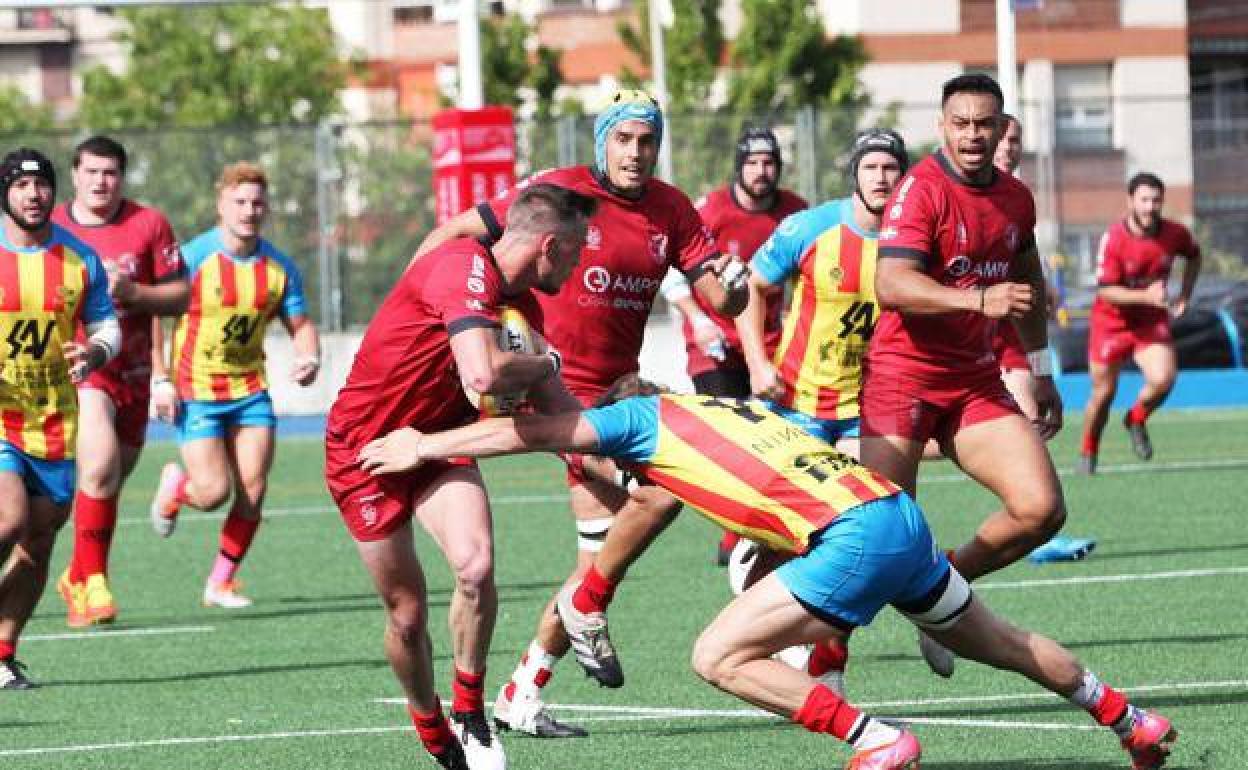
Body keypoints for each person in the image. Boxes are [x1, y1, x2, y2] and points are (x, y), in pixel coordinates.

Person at [357, 378, 1179, 770]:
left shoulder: (640, 416)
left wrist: (428, 445)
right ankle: (1128, 718)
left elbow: (540, 431)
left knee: (716, 657)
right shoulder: (727, 410)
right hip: (893, 511)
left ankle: (875, 741)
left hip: (854, 535)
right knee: (996, 638)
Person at [412, 89, 747, 738]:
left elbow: (719, 300)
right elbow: (455, 235)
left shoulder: (672, 209)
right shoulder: (556, 193)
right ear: (602, 142)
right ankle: (584, 611)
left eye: (647, 140)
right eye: (623, 139)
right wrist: (424, 302)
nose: (636, 152)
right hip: (554, 395)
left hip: (619, 399)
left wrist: (733, 290)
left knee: (595, 564)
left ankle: (523, 692)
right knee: (662, 495)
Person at [325, 183, 596, 769]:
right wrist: (547, 361)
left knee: (475, 569)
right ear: (548, 245)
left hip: (436, 444)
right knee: (407, 613)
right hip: (366, 452)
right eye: (576, 252)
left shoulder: (526, 308)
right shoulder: (461, 269)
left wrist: (621, 460)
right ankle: (430, 724)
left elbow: (560, 411)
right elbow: (484, 374)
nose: (578, 266)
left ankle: (469, 710)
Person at [867, 74, 1066, 677]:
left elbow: (1029, 287)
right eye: (962, 123)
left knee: (1041, 511)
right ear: (943, 127)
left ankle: (944, 592)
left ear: (1003, 128)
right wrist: (978, 299)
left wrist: (1040, 370)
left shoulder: (1015, 197)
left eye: (986, 123)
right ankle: (813, 658)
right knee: (878, 540)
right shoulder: (919, 190)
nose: (974, 135)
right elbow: (891, 284)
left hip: (974, 383)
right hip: (900, 379)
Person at [148, 162, 320, 610]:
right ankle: (176, 489)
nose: (249, 210)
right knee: (211, 493)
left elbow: (300, 324)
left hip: (249, 391)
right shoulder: (192, 258)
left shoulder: (279, 267)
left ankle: (220, 582)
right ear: (220, 205)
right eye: (239, 202)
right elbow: (154, 318)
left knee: (254, 489)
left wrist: (309, 356)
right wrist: (161, 379)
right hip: (197, 390)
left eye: (257, 202)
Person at [50, 136, 189, 628]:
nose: (100, 182)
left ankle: (80, 575)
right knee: (100, 468)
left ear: (121, 177)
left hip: (134, 372)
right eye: (91, 172)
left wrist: (136, 293)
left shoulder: (148, 224)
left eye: (110, 173)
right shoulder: (53, 227)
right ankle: (93, 583)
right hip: (81, 372)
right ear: (75, 174)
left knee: (111, 478)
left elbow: (179, 297)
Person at [659, 126, 806, 565]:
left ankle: (767, 525)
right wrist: (699, 320)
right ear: (739, 166)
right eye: (753, 163)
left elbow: (809, 273)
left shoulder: (796, 212)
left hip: (771, 343)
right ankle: (734, 533)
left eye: (769, 163)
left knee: (777, 435)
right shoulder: (712, 210)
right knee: (730, 432)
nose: (761, 172)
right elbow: (674, 271)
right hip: (716, 344)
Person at [0, 148, 119, 688]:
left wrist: (94, 353)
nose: (33, 194)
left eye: (42, 185)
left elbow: (107, 325)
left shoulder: (79, 259)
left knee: (39, 542)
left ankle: (2, 652)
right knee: (8, 520)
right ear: (6, 193)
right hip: (2, 419)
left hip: (53, 421)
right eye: (22, 186)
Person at [989, 117, 1096, 563]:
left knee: (1031, 415)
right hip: (969, 326)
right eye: (1004, 138)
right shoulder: (957, 192)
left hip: (1012, 330)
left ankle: (1037, 527)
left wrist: (1044, 287)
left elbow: (1025, 259)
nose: (1009, 147)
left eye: (1016, 139)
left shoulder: (1018, 198)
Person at [1078, 172, 1201, 474]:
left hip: (1149, 322)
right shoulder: (1114, 239)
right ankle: (1088, 450)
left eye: (1156, 200)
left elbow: (1194, 257)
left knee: (1164, 378)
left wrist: (1185, 293)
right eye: (1144, 200)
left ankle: (1135, 418)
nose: (1150, 207)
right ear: (1131, 201)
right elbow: (1105, 290)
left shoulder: (1175, 234)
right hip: (1111, 323)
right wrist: (1145, 295)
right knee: (1103, 395)